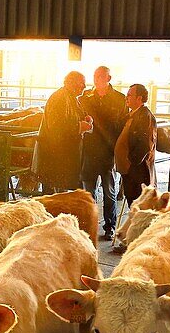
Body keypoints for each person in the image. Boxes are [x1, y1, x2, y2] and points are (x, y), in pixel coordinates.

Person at [77, 66, 128, 241]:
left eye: (101, 76)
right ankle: (88, 225)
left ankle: (110, 226)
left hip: (109, 153)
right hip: (90, 151)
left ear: (109, 78)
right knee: (88, 191)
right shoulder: (85, 98)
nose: (97, 79)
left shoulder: (120, 100)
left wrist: (119, 150)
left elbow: (123, 126)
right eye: (95, 76)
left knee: (109, 191)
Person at [34, 71, 91, 193]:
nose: (85, 87)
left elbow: (75, 116)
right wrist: (79, 126)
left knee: (58, 193)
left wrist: (86, 118)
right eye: (82, 83)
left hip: (60, 157)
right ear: (72, 83)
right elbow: (57, 126)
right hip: (54, 158)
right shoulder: (59, 98)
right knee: (54, 197)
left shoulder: (70, 97)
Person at [115, 83, 157, 206]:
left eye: (129, 95)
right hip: (131, 170)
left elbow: (145, 144)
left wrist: (130, 162)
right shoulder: (133, 114)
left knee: (138, 204)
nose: (126, 98)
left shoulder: (145, 116)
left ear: (139, 98)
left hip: (137, 171)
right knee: (132, 203)